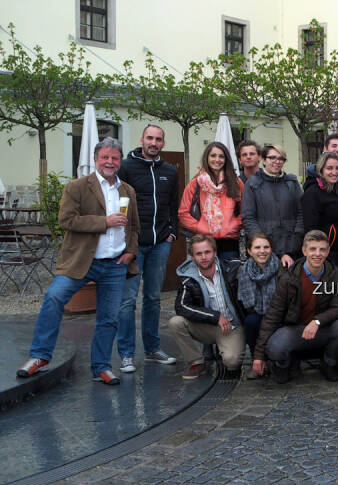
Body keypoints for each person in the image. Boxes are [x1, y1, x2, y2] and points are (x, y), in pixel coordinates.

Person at [17, 138, 139, 386]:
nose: (110, 162)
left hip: (115, 264)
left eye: (115, 158)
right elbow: (67, 220)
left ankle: (101, 366)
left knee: (109, 318)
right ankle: (40, 356)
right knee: (54, 297)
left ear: (120, 161)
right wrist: (105, 221)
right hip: (82, 260)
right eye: (105, 157)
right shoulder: (78, 187)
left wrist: (131, 252)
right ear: (95, 159)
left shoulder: (127, 190)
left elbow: (135, 227)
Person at [252, 230, 338, 384]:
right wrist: (258, 356)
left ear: (328, 252)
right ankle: (284, 364)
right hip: (296, 330)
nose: (317, 254)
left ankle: (329, 363)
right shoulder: (288, 278)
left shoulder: (335, 274)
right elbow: (273, 315)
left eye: (322, 249)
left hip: (321, 329)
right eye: (312, 249)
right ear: (304, 250)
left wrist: (317, 321)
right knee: (275, 347)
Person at [116, 124, 179, 373]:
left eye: (158, 139)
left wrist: (171, 233)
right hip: (132, 246)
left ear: (163, 143)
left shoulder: (169, 172)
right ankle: (127, 354)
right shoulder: (125, 167)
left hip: (160, 244)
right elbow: (118, 203)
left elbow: (173, 205)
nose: (153, 142)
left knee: (153, 298)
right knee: (127, 301)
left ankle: (152, 349)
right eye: (150, 138)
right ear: (142, 139)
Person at [167, 234, 244, 380]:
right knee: (175, 322)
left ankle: (224, 350)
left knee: (232, 362)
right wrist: (215, 317)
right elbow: (181, 306)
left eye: (207, 252)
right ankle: (196, 361)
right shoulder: (188, 277)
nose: (204, 257)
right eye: (199, 254)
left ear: (215, 253)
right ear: (192, 257)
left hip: (232, 326)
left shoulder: (231, 268)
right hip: (208, 326)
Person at [178, 141, 244, 261]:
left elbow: (246, 210)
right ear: (207, 158)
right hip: (203, 240)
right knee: (205, 278)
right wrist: (200, 227)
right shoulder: (195, 183)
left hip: (229, 240)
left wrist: (234, 225)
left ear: (226, 159)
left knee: (228, 278)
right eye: (213, 155)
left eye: (221, 156)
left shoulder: (236, 183)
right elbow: (183, 213)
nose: (217, 159)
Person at [241, 144, 304, 268]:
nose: (277, 161)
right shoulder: (253, 184)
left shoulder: (291, 182)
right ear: (263, 160)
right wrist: (262, 246)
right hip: (263, 252)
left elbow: (301, 214)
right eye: (272, 158)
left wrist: (293, 245)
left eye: (281, 158)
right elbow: (249, 218)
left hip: (292, 250)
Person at [237, 232, 279, 378]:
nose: (262, 251)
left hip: (277, 313)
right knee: (251, 322)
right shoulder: (244, 271)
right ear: (249, 251)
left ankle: (277, 360)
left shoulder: (280, 267)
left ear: (271, 249)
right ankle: (259, 361)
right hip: (256, 312)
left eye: (266, 247)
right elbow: (245, 303)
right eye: (257, 247)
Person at [301, 152, 338, 269]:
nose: (334, 172)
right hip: (326, 254)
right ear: (321, 170)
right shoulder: (313, 193)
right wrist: (320, 251)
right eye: (329, 168)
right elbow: (310, 228)